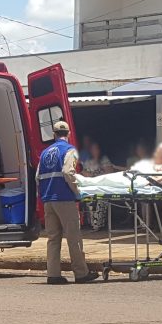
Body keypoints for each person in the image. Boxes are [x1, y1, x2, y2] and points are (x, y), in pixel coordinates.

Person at [36, 121, 99, 284]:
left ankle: (53, 274)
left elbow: (37, 177)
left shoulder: (44, 153)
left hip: (48, 199)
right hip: (64, 198)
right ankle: (81, 273)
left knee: (53, 238)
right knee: (73, 237)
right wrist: (77, 193)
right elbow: (68, 172)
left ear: (54, 134)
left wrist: (44, 194)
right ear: (68, 134)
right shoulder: (69, 150)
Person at [82, 143, 115, 230]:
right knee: (88, 200)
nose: (94, 151)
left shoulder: (104, 159)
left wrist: (96, 175)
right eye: (92, 149)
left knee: (101, 200)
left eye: (96, 149)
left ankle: (99, 225)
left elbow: (109, 171)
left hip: (102, 187)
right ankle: (92, 224)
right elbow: (83, 172)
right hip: (91, 187)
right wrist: (90, 175)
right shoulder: (88, 161)